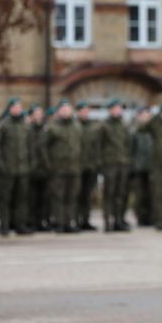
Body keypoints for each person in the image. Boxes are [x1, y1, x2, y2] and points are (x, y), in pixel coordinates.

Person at [45, 99, 83, 234]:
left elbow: (81, 146)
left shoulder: (77, 126)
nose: (66, 111)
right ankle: (60, 223)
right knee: (58, 197)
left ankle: (69, 222)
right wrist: (49, 164)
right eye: (63, 109)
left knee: (72, 196)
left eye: (68, 109)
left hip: (74, 168)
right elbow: (44, 147)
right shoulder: (53, 127)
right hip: (58, 168)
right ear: (59, 111)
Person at [0, 97, 32, 235]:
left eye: (19, 107)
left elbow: (30, 147)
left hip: (23, 169)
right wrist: (1, 165)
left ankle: (20, 225)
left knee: (21, 199)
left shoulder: (25, 126)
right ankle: (4, 225)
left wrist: (29, 164)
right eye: (15, 107)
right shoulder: (4, 125)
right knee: (5, 198)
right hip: (7, 169)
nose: (17, 109)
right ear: (10, 109)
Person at [99, 99, 132, 232]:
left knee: (120, 194)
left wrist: (128, 160)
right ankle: (107, 222)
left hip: (122, 163)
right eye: (116, 108)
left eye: (120, 108)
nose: (119, 110)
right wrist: (100, 163)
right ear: (110, 109)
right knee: (109, 194)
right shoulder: (104, 126)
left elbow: (127, 144)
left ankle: (118, 220)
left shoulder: (123, 125)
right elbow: (99, 146)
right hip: (109, 164)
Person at [76, 101, 101, 231]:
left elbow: (97, 147)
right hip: (77, 166)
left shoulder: (93, 127)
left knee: (87, 195)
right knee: (76, 195)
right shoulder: (74, 126)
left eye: (87, 111)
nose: (85, 113)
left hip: (90, 166)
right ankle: (75, 220)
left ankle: (85, 220)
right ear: (78, 112)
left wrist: (97, 163)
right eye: (83, 111)